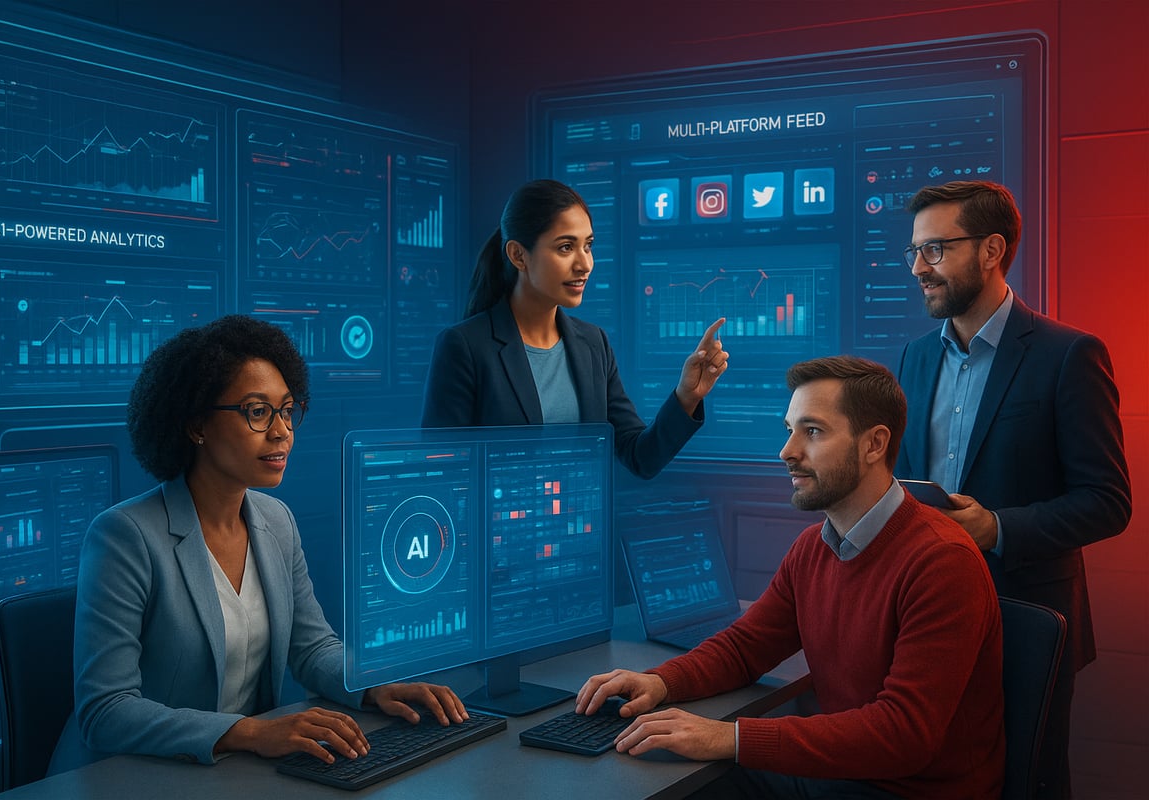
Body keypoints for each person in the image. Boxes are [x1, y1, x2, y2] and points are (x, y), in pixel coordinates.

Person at [50, 315, 467, 773]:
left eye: (288, 410)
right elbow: (105, 711)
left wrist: (371, 684)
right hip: (132, 776)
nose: (281, 431)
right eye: (257, 411)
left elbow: (312, 648)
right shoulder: (125, 536)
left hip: (232, 773)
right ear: (196, 425)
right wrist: (249, 731)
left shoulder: (277, 521)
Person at [577, 356, 1004, 799]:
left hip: (909, 789)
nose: (787, 451)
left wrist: (729, 737)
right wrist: (662, 681)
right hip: (843, 777)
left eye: (813, 431)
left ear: (874, 444)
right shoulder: (813, 548)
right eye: (789, 430)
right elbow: (745, 649)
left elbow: (903, 735)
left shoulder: (942, 560)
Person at [895, 180, 1132, 799]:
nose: (919, 267)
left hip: (1028, 620)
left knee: (1028, 785)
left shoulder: (1069, 355)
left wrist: (996, 528)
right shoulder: (914, 358)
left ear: (992, 249)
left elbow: (1107, 500)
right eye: (915, 251)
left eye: (937, 250)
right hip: (927, 617)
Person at [421, 179, 728, 479]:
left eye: (588, 246)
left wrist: (686, 396)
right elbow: (441, 474)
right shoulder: (465, 347)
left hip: (584, 526)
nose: (585, 264)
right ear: (518, 255)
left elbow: (640, 457)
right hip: (498, 528)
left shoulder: (593, 344)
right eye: (566, 247)